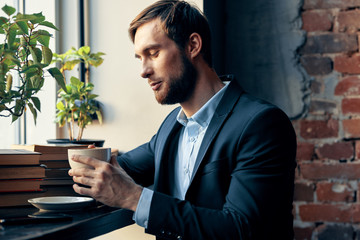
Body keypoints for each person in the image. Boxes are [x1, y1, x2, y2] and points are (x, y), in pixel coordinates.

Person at [68, 0, 297, 239]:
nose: (144, 70)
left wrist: (133, 197)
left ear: (193, 45)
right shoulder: (172, 126)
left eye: (153, 53)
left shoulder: (261, 124)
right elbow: (120, 168)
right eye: (140, 58)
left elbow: (240, 228)